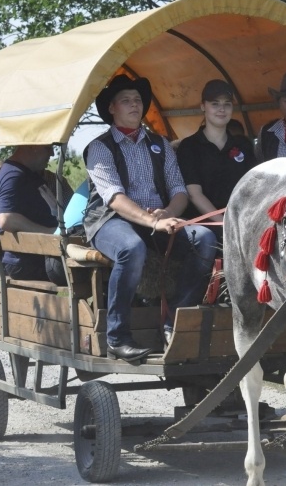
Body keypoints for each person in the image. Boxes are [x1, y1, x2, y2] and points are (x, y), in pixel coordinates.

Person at [84, 74, 217, 362]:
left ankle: (173, 322)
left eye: (138, 100)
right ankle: (117, 337)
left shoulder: (160, 144)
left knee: (205, 239)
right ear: (112, 108)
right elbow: (115, 199)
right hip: (110, 220)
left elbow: (179, 190)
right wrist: (154, 222)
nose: (135, 105)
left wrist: (168, 213)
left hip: (156, 219)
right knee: (131, 248)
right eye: (126, 100)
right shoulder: (100, 147)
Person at [176, 79, 257, 238]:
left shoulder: (243, 145)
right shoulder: (189, 146)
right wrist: (225, 224)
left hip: (240, 222)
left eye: (227, 104)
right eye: (215, 104)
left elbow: (253, 187)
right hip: (205, 226)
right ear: (202, 106)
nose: (222, 109)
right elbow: (194, 194)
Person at [0, 145, 69, 285]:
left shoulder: (24, 172)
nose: (52, 153)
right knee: (91, 270)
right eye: (48, 148)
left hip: (37, 255)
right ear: (33, 146)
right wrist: (51, 232)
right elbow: (6, 219)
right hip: (27, 261)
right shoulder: (14, 175)